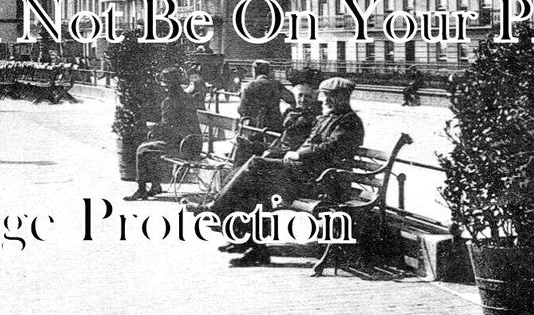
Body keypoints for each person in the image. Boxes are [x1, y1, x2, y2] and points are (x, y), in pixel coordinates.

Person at [206, 77, 364, 267]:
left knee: (256, 166)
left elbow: (331, 147)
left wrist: (298, 155)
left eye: (331, 97)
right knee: (255, 184)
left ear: (343, 98)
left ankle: (218, 210)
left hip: (324, 181)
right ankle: (250, 244)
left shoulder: (348, 121)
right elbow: (312, 143)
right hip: (307, 174)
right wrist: (288, 154)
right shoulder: (328, 117)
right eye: (326, 96)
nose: (327, 100)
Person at [126, 66, 203, 201]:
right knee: (150, 146)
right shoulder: (187, 97)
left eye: (165, 85)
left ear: (169, 86)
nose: (163, 88)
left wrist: (153, 127)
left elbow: (167, 127)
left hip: (181, 145)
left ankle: (142, 189)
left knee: (142, 149)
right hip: (193, 143)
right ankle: (155, 186)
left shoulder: (169, 101)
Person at [233, 60, 295, 166]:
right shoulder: (276, 84)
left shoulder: (250, 86)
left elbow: (242, 109)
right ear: (268, 72)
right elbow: (292, 100)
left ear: (254, 71)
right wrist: (285, 113)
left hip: (254, 127)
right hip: (274, 125)